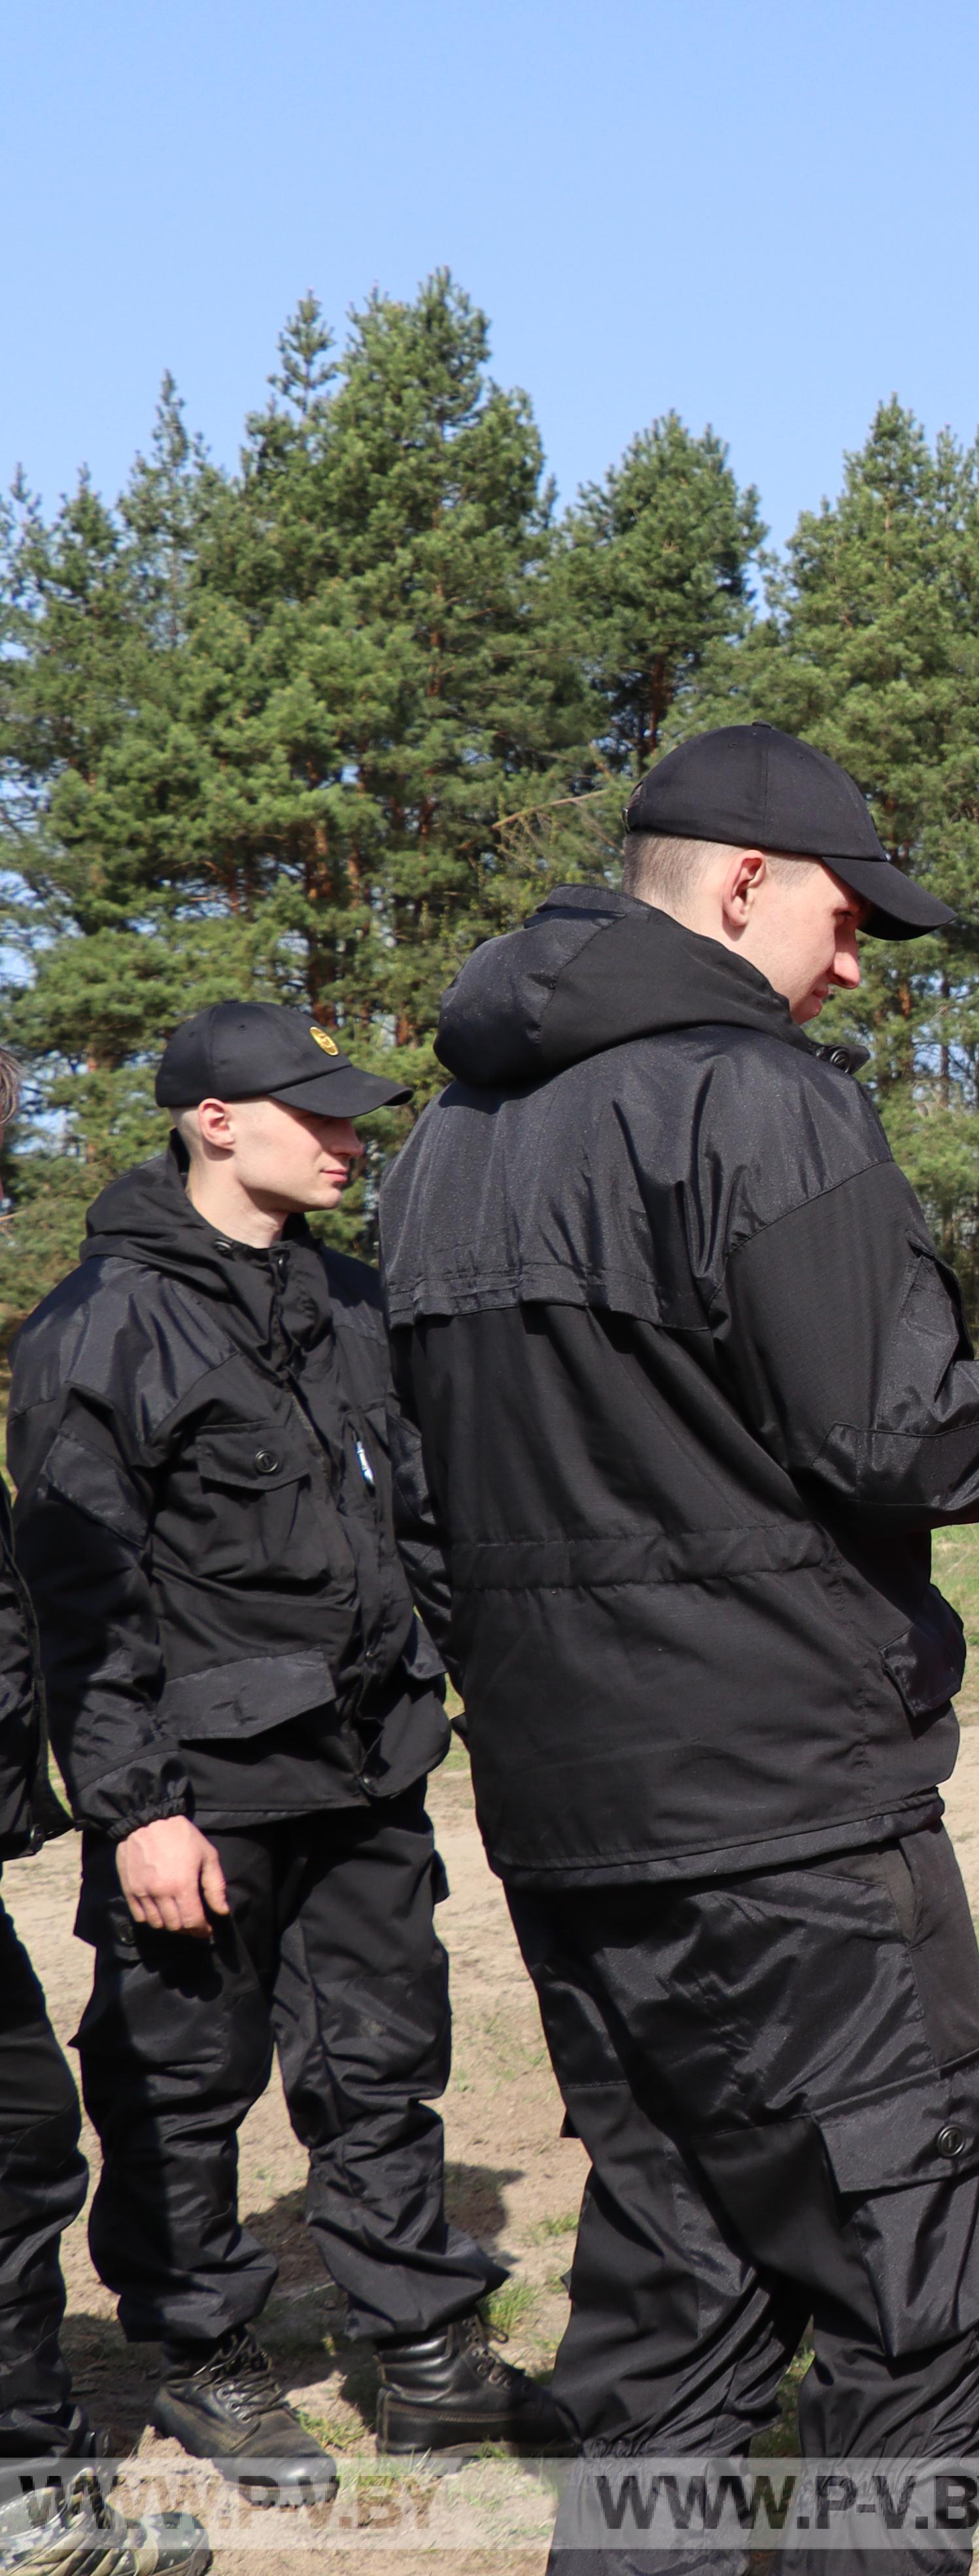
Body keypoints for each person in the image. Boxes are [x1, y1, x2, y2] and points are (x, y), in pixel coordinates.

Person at [375, 723, 979, 2572]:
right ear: (741, 881)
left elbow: (422, 1503)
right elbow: (901, 1434)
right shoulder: (753, 1102)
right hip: (787, 1830)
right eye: (848, 922)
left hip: (569, 1821)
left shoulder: (447, 1141)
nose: (857, 969)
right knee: (920, 2299)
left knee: (678, 2285)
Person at [7, 1007, 557, 2505]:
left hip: (370, 1763)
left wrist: (497, 1708)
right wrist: (137, 1810)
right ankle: (203, 2354)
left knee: (383, 2061)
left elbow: (423, 1532)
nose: (347, 1134)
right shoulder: (97, 1326)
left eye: (352, 1111)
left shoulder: (353, 1300)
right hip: (202, 1789)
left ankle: (425, 2344)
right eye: (310, 1110)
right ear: (210, 1120)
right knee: (180, 2083)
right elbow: (80, 1601)